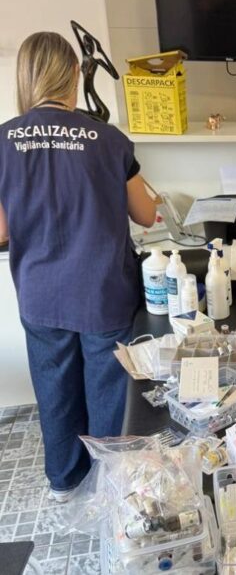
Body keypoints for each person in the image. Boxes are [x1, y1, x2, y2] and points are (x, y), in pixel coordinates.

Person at [0, 32, 156, 502]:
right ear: (73, 75)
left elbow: (2, 231)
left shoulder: (3, 141)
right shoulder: (108, 140)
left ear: (26, 77)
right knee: (108, 388)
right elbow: (146, 214)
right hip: (103, 291)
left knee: (55, 389)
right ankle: (109, 485)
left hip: (41, 293)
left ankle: (64, 482)